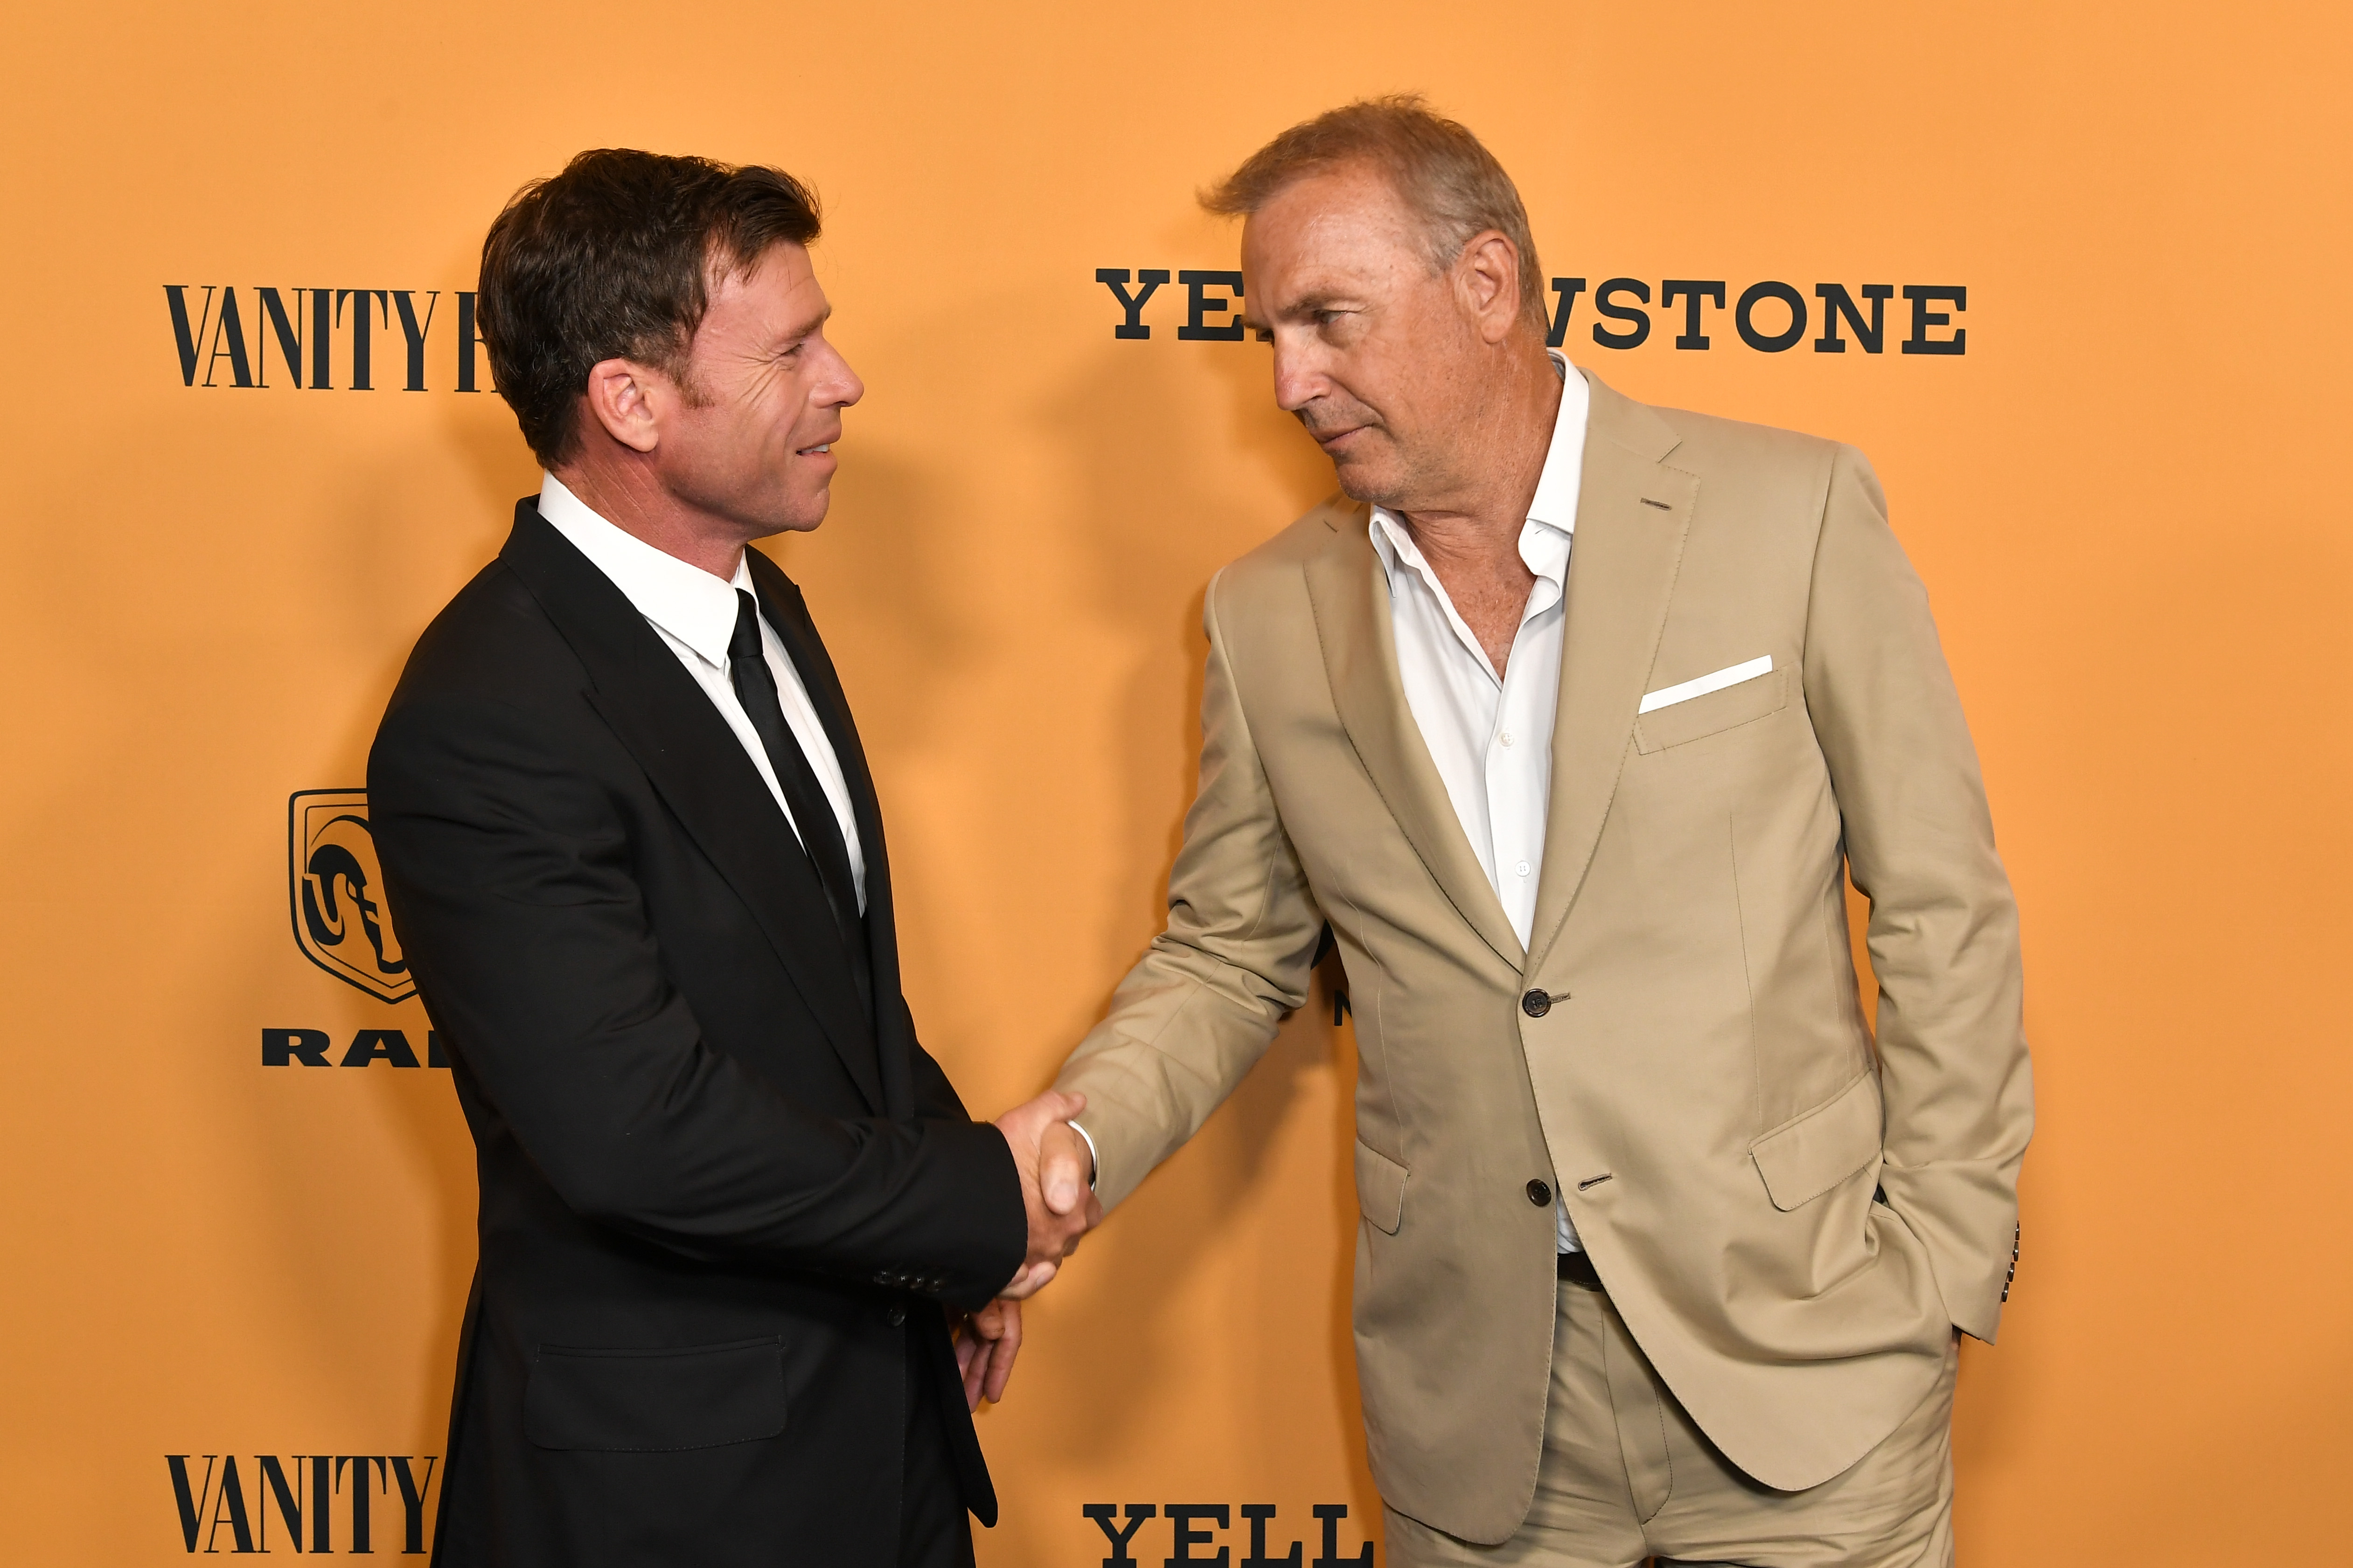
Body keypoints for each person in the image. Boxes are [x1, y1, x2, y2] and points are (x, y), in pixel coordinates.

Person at [1040, 98, 2032, 1567]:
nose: (1286, 379)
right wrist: (1068, 1143)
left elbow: (1942, 904)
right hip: (1482, 1398)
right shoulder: (1263, 615)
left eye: (1326, 319)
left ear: (1486, 285)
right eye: (1267, 332)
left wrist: (1939, 1266)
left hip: (1800, 1360)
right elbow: (1232, 953)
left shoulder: (1789, 513)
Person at [368, 149, 1096, 1568]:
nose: (845, 381)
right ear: (630, 404)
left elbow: (818, 998)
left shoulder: (768, 609)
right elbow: (637, 1132)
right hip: (670, 1499)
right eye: (792, 350)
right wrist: (969, 1204)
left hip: (880, 1439)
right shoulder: (487, 713)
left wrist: (946, 1237)